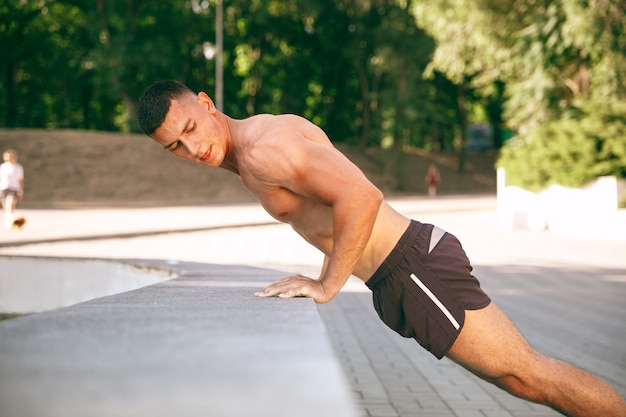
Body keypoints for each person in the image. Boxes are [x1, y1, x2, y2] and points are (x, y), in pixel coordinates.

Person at [137, 80, 626, 417]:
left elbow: (361, 195)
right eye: (175, 147)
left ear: (205, 103)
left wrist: (328, 285)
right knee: (519, 379)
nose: (192, 149)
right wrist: (322, 269)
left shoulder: (264, 149)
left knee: (528, 374)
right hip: (400, 273)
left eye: (190, 130)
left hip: (413, 267)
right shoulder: (255, 146)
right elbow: (332, 211)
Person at [0, 149, 25, 230]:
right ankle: (9, 222)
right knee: (5, 208)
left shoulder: (18, 167)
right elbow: (1, 179)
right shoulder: (3, 166)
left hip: (13, 188)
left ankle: (11, 221)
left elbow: (20, 180)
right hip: (4, 188)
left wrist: (20, 191)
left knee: (10, 204)